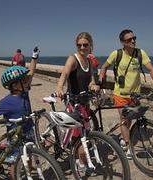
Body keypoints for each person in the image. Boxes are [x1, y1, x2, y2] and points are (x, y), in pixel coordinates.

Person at [99, 29, 153, 159]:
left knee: (130, 119)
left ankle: (124, 139)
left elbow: (151, 69)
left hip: (135, 95)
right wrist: (101, 80)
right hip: (120, 94)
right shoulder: (116, 54)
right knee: (125, 120)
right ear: (123, 42)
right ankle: (128, 146)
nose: (133, 41)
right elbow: (104, 66)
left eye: (134, 38)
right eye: (129, 39)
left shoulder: (140, 53)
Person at [0, 47, 39, 179]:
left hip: (28, 130)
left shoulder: (24, 92)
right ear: (14, 85)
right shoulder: (6, 101)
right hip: (15, 135)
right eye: (24, 80)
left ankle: (28, 171)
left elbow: (31, 72)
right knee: (14, 160)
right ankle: (13, 175)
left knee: (29, 153)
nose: (27, 81)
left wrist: (34, 58)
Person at [56, 32, 99, 172]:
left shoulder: (89, 62)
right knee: (80, 134)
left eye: (85, 45)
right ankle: (80, 162)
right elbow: (65, 74)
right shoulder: (73, 59)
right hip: (73, 103)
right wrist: (59, 88)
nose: (82, 47)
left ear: (90, 45)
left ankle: (80, 159)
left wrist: (94, 86)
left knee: (84, 132)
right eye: (79, 45)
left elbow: (91, 81)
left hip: (85, 102)